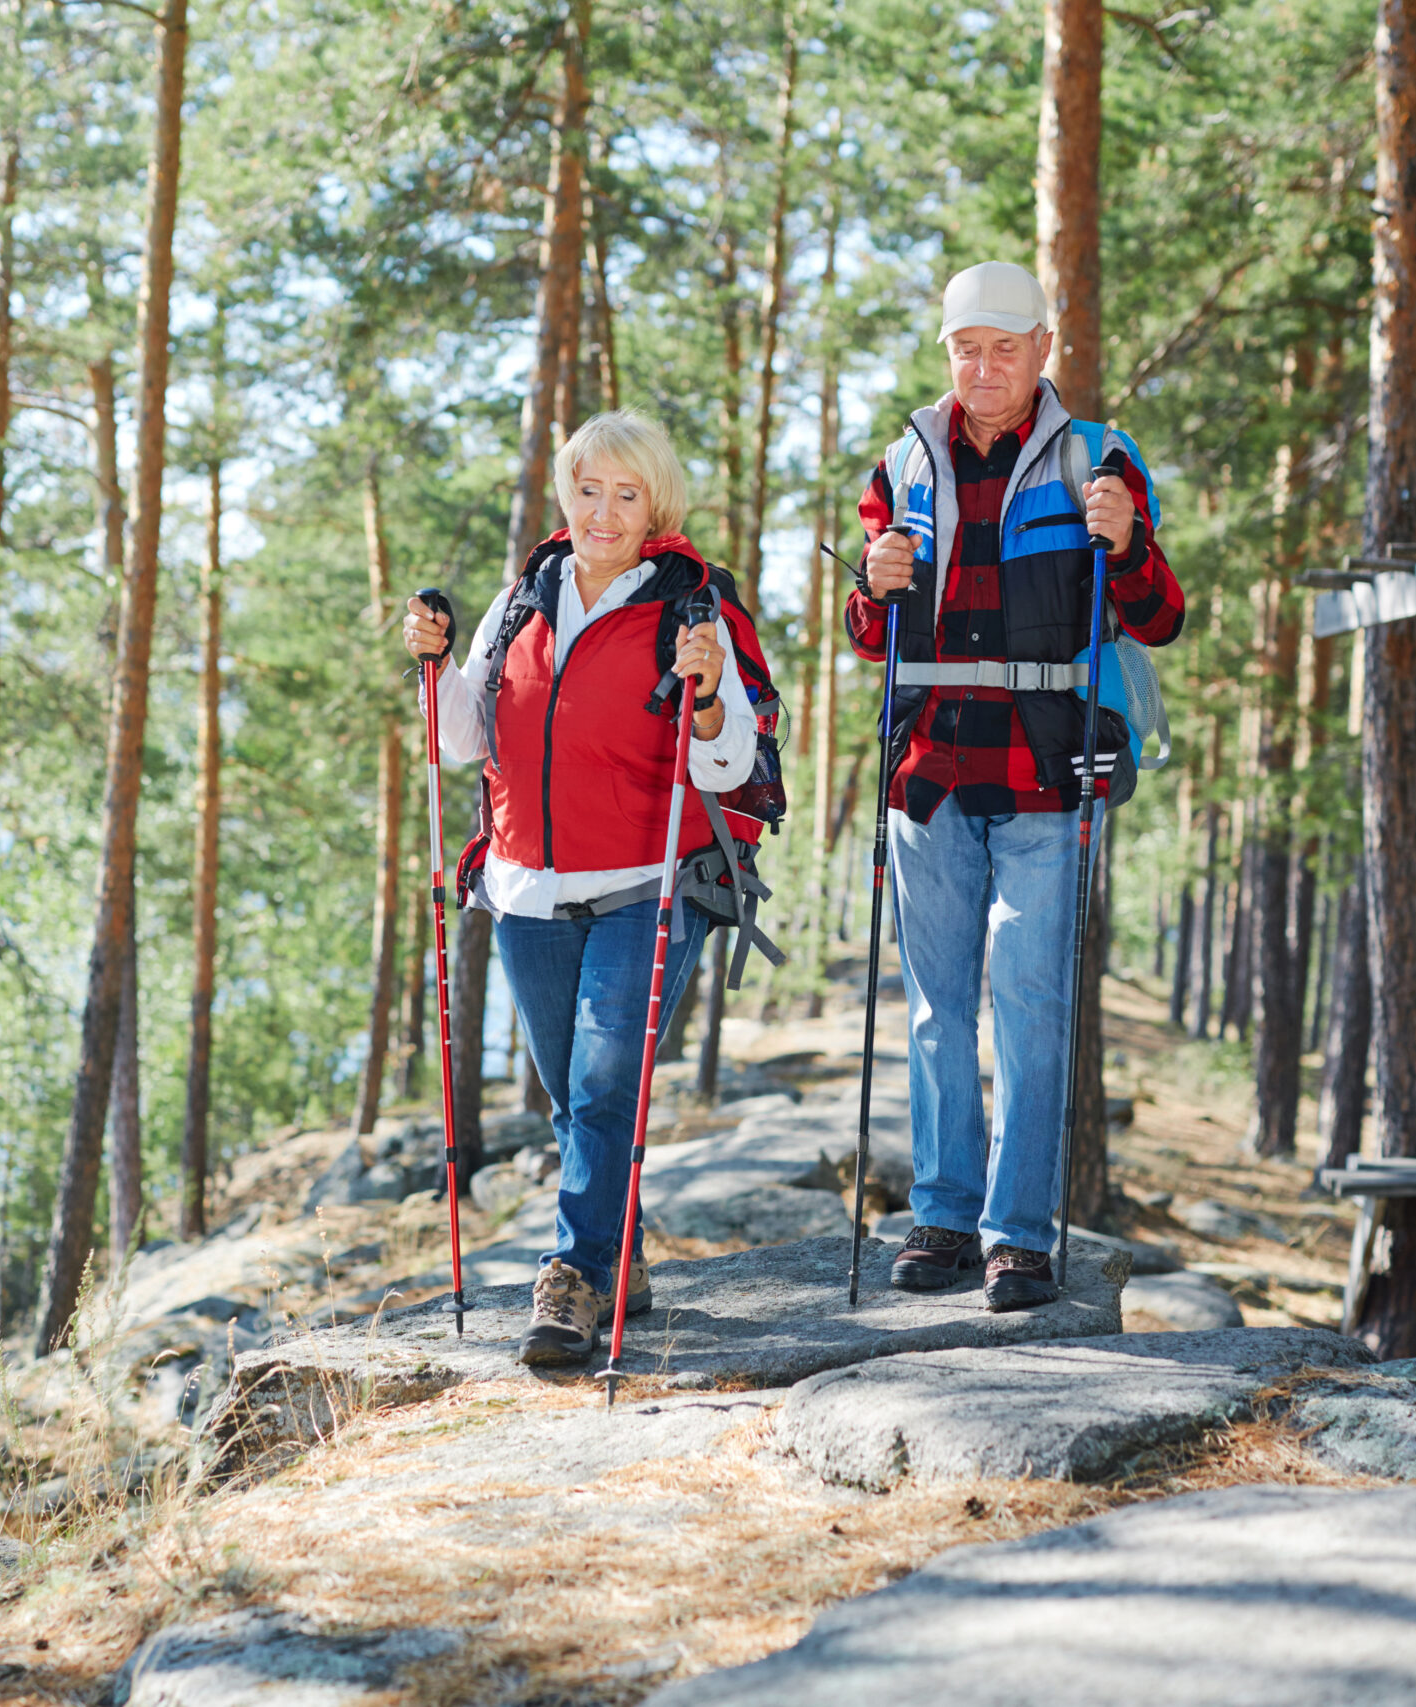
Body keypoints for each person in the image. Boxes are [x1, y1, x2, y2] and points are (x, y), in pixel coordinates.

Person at [848, 260, 1186, 1311]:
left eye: (1005, 347)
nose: (983, 367)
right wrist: (873, 586)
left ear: (1043, 350)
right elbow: (872, 636)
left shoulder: (1099, 459)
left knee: (1028, 1006)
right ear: (946, 352)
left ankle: (1019, 1237)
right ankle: (942, 1218)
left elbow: (1159, 616)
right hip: (931, 773)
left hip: (1047, 770)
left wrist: (1125, 544)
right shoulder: (901, 466)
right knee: (937, 1013)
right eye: (965, 348)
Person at [403, 410, 773, 1365]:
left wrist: (712, 686)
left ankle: (570, 1276)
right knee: (573, 1097)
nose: (603, 510)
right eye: (588, 489)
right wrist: (435, 666)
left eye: (627, 493)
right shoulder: (524, 596)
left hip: (649, 884)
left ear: (656, 505)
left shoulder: (693, 607)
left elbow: (734, 763)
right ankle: (625, 1260)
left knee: (607, 1084)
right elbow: (464, 740)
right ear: (565, 492)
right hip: (527, 890)